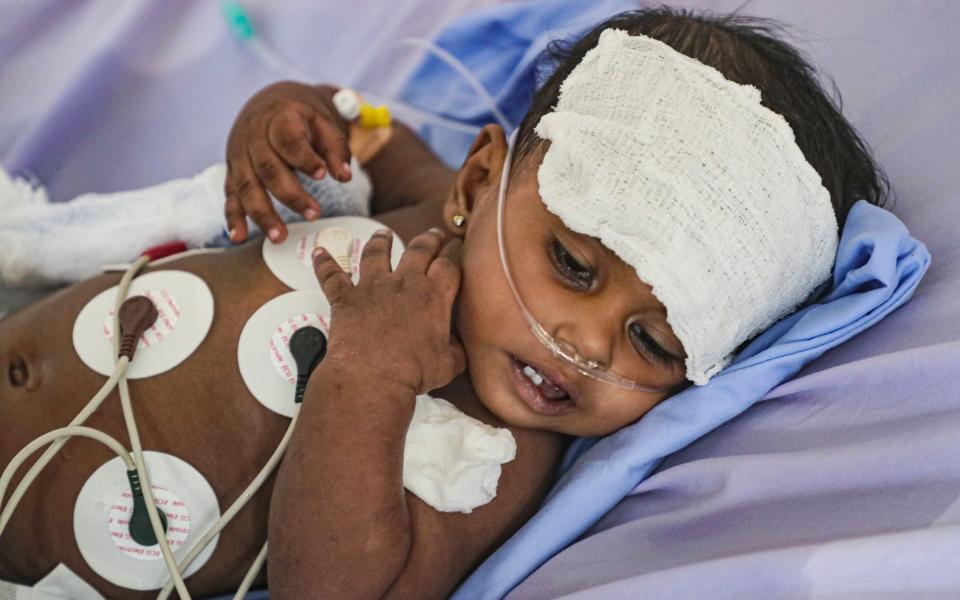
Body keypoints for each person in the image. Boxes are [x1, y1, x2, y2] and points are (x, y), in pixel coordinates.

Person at [0, 7, 887, 598]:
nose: (581, 344)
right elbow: (359, 127)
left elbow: (337, 590)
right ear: (482, 178)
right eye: (573, 266)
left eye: (653, 340)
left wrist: (370, 379)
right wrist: (283, 119)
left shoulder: (497, 454)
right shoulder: (430, 203)